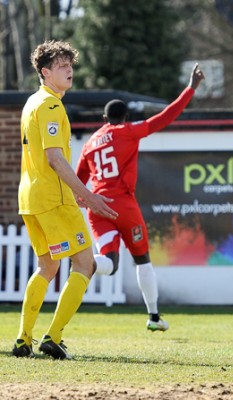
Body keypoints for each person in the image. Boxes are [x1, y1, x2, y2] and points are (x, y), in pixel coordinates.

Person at [75, 64, 205, 332]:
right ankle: (154, 317)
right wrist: (190, 88)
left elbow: (77, 179)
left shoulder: (89, 143)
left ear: (104, 117)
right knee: (142, 259)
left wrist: (81, 198)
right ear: (125, 117)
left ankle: (83, 262)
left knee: (109, 264)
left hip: (97, 207)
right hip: (123, 205)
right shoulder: (128, 131)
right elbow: (166, 116)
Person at [13, 40, 118, 360]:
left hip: (30, 198)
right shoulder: (51, 106)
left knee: (47, 266)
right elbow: (55, 159)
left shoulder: (32, 102)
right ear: (45, 72)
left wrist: (77, 192)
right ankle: (53, 337)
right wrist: (85, 195)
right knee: (85, 263)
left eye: (70, 64)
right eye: (61, 66)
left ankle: (23, 340)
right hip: (52, 199)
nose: (69, 69)